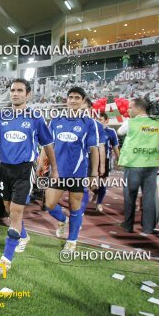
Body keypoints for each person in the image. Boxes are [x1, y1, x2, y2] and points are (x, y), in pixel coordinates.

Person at [0, 79, 58, 272]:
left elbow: (47, 145)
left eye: (19, 90)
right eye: (12, 90)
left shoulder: (35, 117)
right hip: (3, 169)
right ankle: (24, 235)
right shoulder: (2, 115)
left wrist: (54, 168)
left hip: (24, 170)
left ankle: (6, 258)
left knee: (15, 212)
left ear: (28, 94)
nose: (15, 93)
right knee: (7, 207)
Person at [39, 87, 99, 252]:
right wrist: (40, 162)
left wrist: (94, 173)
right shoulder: (56, 121)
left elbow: (94, 149)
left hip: (78, 173)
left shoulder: (89, 123)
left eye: (77, 98)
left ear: (82, 100)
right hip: (57, 172)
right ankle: (63, 220)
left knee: (75, 206)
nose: (73, 100)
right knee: (50, 205)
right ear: (66, 100)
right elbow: (47, 144)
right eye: (70, 97)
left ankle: (72, 240)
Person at [118, 98, 159, 234]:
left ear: (138, 109)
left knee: (130, 196)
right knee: (149, 197)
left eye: (130, 108)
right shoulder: (157, 124)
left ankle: (128, 225)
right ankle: (148, 227)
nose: (128, 110)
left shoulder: (131, 122)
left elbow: (119, 132)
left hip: (134, 164)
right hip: (152, 164)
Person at [80, 97, 106, 214]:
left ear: (90, 109)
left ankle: (79, 214)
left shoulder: (97, 126)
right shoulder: (69, 122)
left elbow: (100, 147)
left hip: (90, 160)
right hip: (74, 160)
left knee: (86, 187)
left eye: (84, 108)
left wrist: (101, 166)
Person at [96, 112, 120, 211]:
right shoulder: (91, 130)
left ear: (106, 121)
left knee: (102, 182)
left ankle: (99, 203)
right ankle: (96, 192)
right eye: (96, 119)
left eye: (100, 120)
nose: (98, 122)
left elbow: (115, 146)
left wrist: (119, 158)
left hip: (105, 160)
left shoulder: (111, 131)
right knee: (87, 182)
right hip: (90, 159)